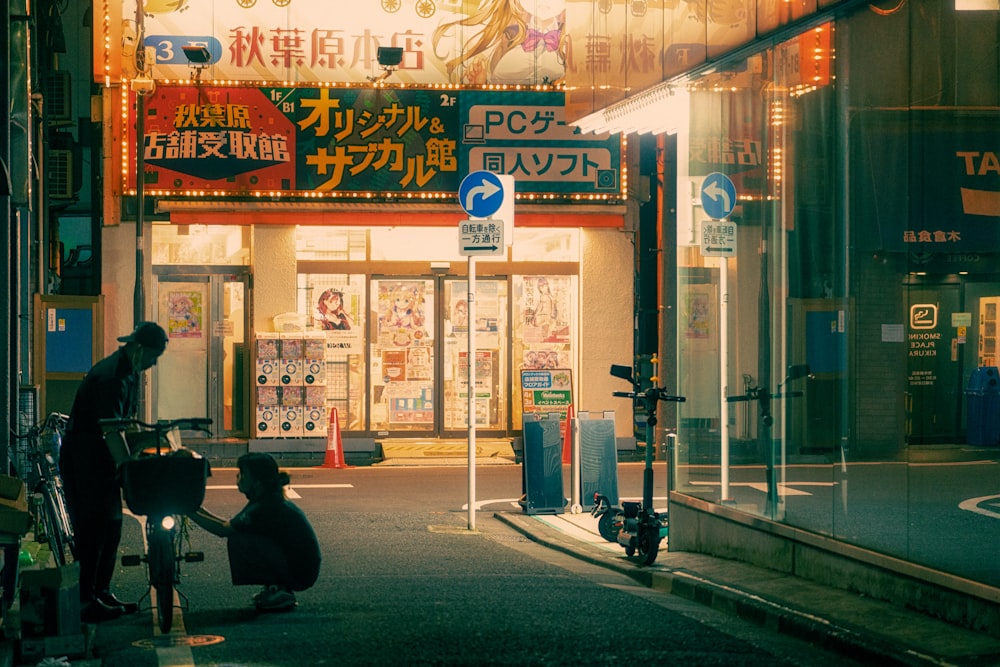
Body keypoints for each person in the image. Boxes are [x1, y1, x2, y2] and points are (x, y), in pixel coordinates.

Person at [60, 321, 169, 623]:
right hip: (86, 459)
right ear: (139, 349)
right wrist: (126, 466)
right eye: (154, 355)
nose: (154, 363)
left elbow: (125, 425)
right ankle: (86, 600)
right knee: (92, 529)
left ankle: (101, 591)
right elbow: (110, 430)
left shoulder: (128, 371)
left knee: (111, 528)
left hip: (100, 457)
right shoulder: (112, 375)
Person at [188, 453, 321, 612]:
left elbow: (223, 530)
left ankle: (278, 589)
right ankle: (277, 587)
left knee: (239, 539)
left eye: (243, 473)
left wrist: (187, 510)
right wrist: (194, 508)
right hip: (302, 567)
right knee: (240, 535)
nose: (238, 477)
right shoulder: (268, 498)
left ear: (257, 482)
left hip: (299, 572)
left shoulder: (264, 506)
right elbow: (227, 524)